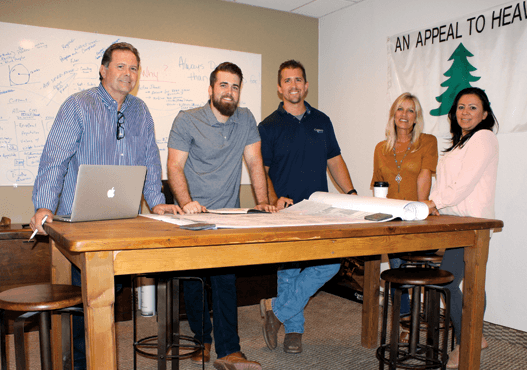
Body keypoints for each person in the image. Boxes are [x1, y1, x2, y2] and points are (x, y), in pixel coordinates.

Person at [29, 42, 183, 370]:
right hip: (79, 223)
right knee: (86, 303)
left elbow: (149, 161)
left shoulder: (140, 111)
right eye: (120, 66)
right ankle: (83, 363)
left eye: (133, 68)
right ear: (103, 69)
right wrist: (43, 205)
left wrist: (157, 202)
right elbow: (55, 158)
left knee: (105, 298)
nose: (128, 74)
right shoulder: (78, 105)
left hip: (123, 221)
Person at [167, 62, 273, 370]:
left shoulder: (246, 119)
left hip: (228, 214)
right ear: (211, 88)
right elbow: (174, 166)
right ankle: (202, 339)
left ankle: (229, 350)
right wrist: (186, 202)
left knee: (225, 278)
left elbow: (255, 163)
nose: (229, 92)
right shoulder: (187, 120)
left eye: (235, 86)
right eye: (223, 85)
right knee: (195, 280)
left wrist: (263, 202)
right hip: (193, 215)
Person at [258, 60, 357, 354]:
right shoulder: (268, 126)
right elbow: (261, 171)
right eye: (287, 80)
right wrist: (274, 199)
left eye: (298, 80)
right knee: (288, 271)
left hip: (318, 209)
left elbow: (335, 160)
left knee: (331, 262)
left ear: (306, 85)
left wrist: (350, 192)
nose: (293, 85)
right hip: (285, 211)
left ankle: (276, 310)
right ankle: (294, 332)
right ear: (279, 88)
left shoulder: (322, 121)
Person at [423, 87, 498, 369]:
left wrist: (433, 202)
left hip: (472, 224)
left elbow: (464, 184)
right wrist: (436, 207)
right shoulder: (460, 143)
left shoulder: (483, 138)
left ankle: (468, 339)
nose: (465, 112)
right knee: (470, 280)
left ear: (485, 114)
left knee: (452, 281)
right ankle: (475, 335)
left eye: (473, 107)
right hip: (455, 222)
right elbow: (447, 186)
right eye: (461, 107)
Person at [371, 92, 438, 338]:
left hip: (416, 216)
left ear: (416, 117)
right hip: (391, 218)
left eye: (411, 111)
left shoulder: (428, 142)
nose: (404, 115)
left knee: (412, 270)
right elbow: (379, 186)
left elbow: (424, 175)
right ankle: (405, 322)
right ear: (393, 114)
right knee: (398, 269)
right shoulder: (381, 147)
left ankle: (414, 321)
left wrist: (420, 210)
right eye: (400, 109)